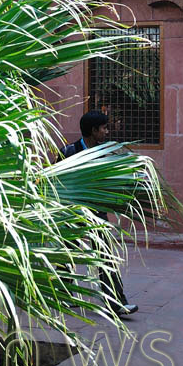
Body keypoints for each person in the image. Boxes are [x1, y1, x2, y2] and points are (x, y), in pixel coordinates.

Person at [61, 110, 139, 318]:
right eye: (103, 128)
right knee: (68, 253)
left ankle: (116, 303)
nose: (106, 131)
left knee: (106, 257)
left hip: (97, 213)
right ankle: (63, 294)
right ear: (93, 131)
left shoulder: (107, 153)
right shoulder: (68, 152)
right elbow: (56, 182)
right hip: (72, 213)